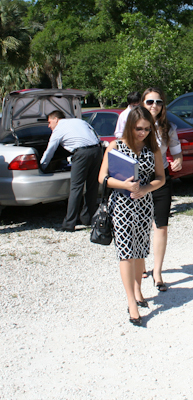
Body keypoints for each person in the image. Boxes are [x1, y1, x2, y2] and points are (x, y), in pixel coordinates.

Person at [98, 106, 165, 326]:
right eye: (139, 128)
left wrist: (145, 189)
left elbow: (160, 179)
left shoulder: (152, 149)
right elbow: (102, 178)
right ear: (129, 126)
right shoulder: (115, 146)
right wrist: (124, 184)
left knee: (139, 251)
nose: (143, 133)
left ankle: (137, 290)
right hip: (121, 205)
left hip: (144, 205)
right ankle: (132, 302)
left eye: (147, 129)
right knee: (126, 252)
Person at [141, 87, 183, 291]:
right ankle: (140, 265)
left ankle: (157, 272)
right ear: (142, 104)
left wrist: (178, 161)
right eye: (150, 102)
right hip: (138, 180)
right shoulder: (133, 125)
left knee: (161, 225)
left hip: (162, 178)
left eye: (158, 102)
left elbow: (176, 153)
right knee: (139, 225)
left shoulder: (169, 127)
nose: (154, 106)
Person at [39, 111, 103, 232]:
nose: (49, 126)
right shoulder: (79, 121)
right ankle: (87, 218)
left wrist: (42, 166)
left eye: (49, 122)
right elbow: (95, 134)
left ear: (56, 119)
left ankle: (69, 224)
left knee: (76, 188)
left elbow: (50, 151)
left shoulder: (59, 129)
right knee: (92, 186)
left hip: (81, 153)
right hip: (97, 150)